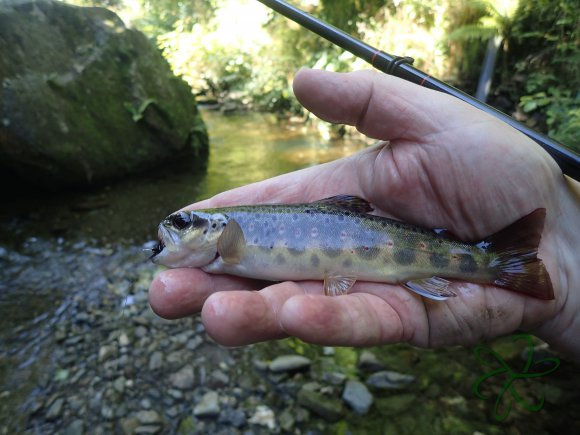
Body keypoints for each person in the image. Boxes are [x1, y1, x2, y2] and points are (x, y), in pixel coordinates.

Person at [148, 68, 580, 361]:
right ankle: (495, 262)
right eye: (182, 223)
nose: (177, 226)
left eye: (185, 223)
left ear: (218, 231)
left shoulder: (230, 240)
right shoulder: (226, 245)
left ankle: (496, 262)